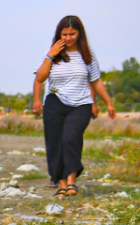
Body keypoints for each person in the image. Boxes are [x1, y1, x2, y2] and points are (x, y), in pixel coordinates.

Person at [32, 15, 116, 197]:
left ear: (80, 34)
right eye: (64, 34)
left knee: (71, 137)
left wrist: (108, 102)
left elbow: (96, 81)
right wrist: (50, 56)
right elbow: (39, 78)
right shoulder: (51, 54)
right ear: (58, 34)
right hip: (55, 102)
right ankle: (62, 185)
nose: (68, 38)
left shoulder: (88, 56)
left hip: (81, 104)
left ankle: (72, 181)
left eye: (72, 34)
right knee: (55, 143)